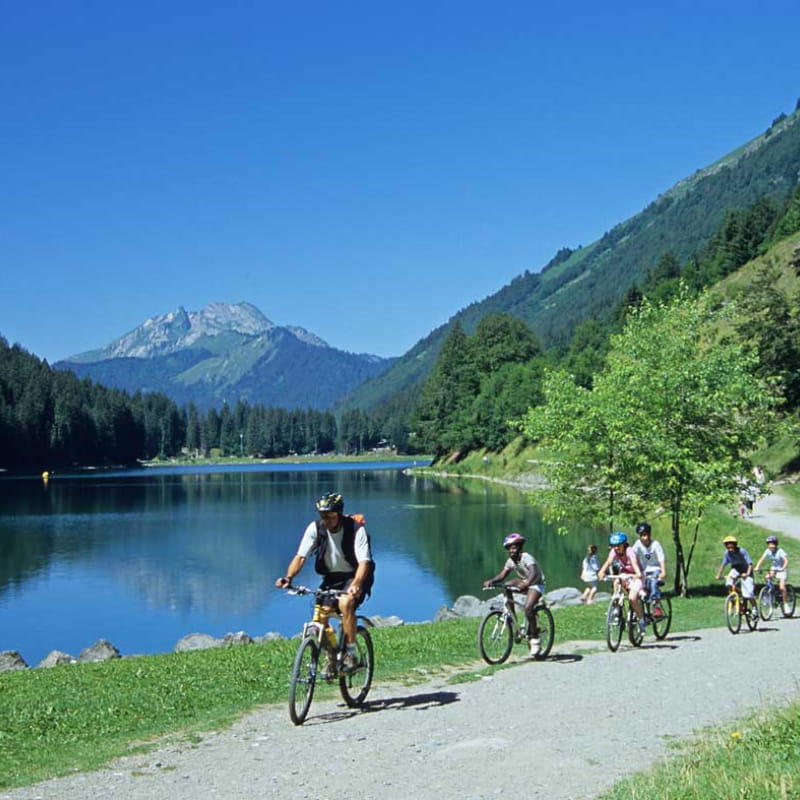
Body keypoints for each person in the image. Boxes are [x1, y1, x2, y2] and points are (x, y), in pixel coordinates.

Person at [275, 492, 373, 672]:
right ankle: (332, 657)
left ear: (339, 513)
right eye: (322, 516)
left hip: (356, 575)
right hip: (331, 578)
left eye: (330, 516)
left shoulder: (355, 529)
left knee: (346, 603)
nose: (326, 520)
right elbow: (301, 557)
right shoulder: (315, 529)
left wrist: (357, 584)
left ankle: (350, 653)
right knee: (321, 615)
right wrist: (288, 578)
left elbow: (364, 562)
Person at [483, 532, 546, 657]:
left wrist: (527, 583)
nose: (511, 550)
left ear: (520, 547)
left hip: (537, 583)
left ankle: (535, 639)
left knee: (528, 608)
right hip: (524, 582)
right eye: (509, 548)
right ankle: (514, 621)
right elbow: (502, 575)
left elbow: (533, 572)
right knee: (507, 586)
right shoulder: (511, 561)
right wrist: (492, 581)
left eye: (514, 547)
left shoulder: (526, 557)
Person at [597, 531, 646, 633]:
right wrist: (601, 572)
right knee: (616, 582)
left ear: (624, 544)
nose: (616, 548)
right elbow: (608, 562)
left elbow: (638, 571)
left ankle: (641, 621)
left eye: (618, 546)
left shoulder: (630, 552)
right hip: (624, 575)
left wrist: (634, 575)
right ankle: (616, 608)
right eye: (613, 546)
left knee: (632, 598)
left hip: (636, 577)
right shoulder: (614, 552)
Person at [715, 535, 757, 616]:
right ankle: (734, 599)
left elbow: (750, 564)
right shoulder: (727, 553)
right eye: (727, 545)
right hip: (736, 569)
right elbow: (723, 564)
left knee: (749, 593)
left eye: (731, 544)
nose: (729, 546)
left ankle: (754, 608)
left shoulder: (742, 551)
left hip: (746, 570)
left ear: (735, 544)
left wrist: (747, 574)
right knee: (728, 583)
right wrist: (718, 575)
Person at [632, 522, 667, 617]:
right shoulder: (637, 544)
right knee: (640, 587)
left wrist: (663, 571)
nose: (644, 538)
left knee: (653, 583)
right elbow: (632, 555)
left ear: (650, 534)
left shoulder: (655, 544)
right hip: (644, 570)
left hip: (656, 569)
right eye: (642, 535)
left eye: (646, 535)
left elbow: (661, 558)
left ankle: (657, 606)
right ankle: (641, 611)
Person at [754, 535, 790, 605]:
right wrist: (757, 567)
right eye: (770, 544)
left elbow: (786, 561)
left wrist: (783, 568)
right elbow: (762, 559)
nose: (771, 546)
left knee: (782, 587)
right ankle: (769, 594)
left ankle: (785, 604)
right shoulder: (767, 551)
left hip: (782, 569)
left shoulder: (780, 551)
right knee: (767, 577)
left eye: (773, 544)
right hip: (774, 568)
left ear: (776, 544)